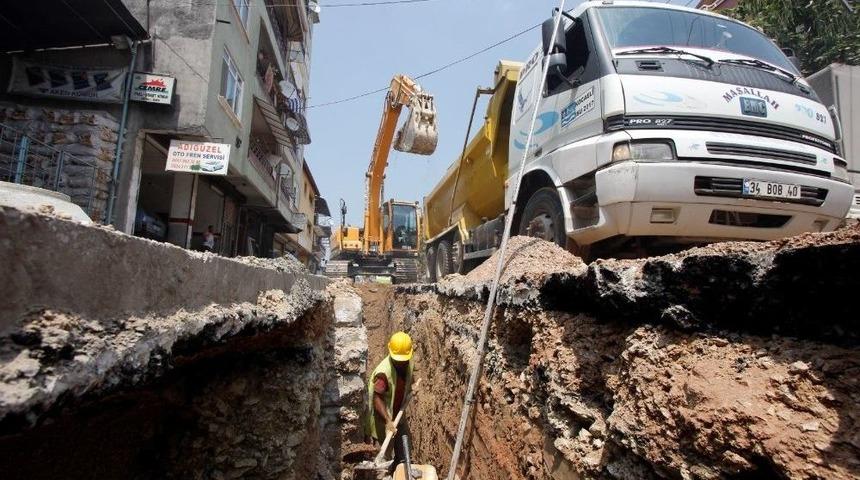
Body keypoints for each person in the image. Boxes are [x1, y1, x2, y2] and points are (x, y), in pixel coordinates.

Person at [365, 331, 415, 462]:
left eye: (404, 360)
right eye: (398, 361)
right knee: (383, 457)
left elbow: (407, 377)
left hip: (399, 414)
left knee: (405, 451)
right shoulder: (383, 373)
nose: (401, 363)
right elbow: (376, 398)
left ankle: (401, 465)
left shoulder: (408, 361)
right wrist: (388, 420)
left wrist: (412, 386)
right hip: (383, 419)